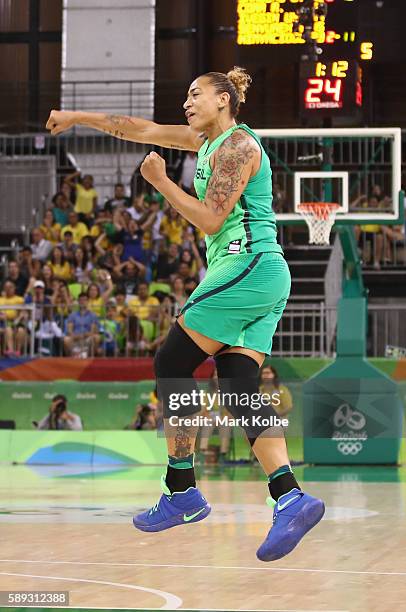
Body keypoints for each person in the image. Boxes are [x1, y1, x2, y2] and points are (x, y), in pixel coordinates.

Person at [46, 66, 324, 561]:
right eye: (185, 96)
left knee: (171, 365)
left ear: (225, 99)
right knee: (238, 388)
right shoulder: (204, 141)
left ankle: (182, 490)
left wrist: (159, 183)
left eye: (196, 94)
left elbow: (212, 217)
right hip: (260, 275)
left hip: (248, 263)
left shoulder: (238, 147)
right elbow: (139, 129)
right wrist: (77, 117)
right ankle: (290, 496)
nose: (187, 102)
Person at [63, 292, 100, 357]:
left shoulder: (93, 315)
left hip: (87, 338)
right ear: (78, 301)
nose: (82, 302)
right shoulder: (72, 315)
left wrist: (83, 336)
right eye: (81, 300)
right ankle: (71, 359)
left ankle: (89, 358)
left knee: (97, 337)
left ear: (88, 301)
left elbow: (93, 331)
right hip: (75, 338)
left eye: (84, 300)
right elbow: (69, 330)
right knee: (66, 339)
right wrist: (76, 336)